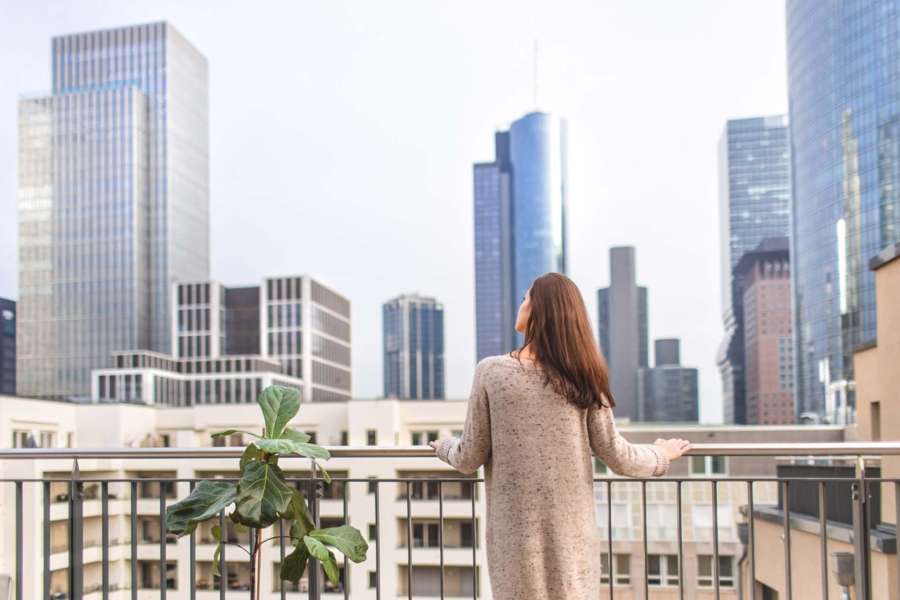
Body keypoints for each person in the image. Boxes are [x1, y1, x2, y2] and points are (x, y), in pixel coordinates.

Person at [430, 272, 691, 600]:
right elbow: (618, 455)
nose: (521, 304)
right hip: (573, 542)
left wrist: (443, 447)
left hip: (515, 543)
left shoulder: (492, 372)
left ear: (539, 310)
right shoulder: (584, 377)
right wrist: (661, 455)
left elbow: (469, 457)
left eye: (526, 298)